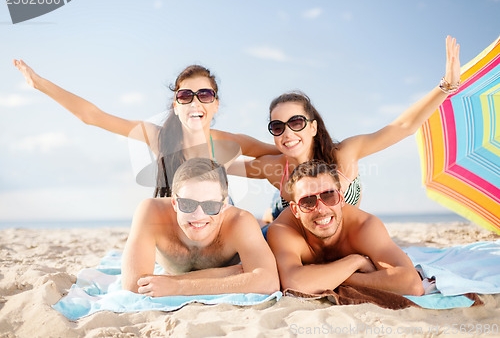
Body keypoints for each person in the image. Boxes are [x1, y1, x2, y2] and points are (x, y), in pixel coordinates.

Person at [241, 36, 461, 219]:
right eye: (278, 126)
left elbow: (403, 126)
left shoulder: (344, 154)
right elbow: (231, 165)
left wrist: (445, 87)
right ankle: (271, 213)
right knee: (275, 217)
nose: (288, 132)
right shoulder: (276, 167)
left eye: (297, 122)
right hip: (290, 216)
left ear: (313, 127)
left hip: (331, 226)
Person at [13, 61, 279, 197]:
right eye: (186, 95)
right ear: (176, 105)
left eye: (205, 95)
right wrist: (39, 83)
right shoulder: (159, 136)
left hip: (215, 219)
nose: (195, 102)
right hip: (174, 219)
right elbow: (92, 116)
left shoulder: (229, 142)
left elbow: (284, 154)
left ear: (216, 104)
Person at [121, 157, 280, 296]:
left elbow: (268, 282)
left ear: (224, 205)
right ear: (175, 203)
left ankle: (267, 216)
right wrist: (226, 274)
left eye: (210, 205)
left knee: (270, 229)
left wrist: (178, 286)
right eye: (188, 204)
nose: (198, 215)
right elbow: (133, 286)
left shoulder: (240, 221)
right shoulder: (151, 212)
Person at [266, 160, 424, 296]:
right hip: (271, 225)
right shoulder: (282, 230)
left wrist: (341, 277)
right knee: (264, 228)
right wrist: (355, 261)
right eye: (308, 201)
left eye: (329, 196)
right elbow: (295, 284)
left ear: (341, 198)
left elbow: (412, 284)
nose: (321, 209)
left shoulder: (365, 226)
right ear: (295, 210)